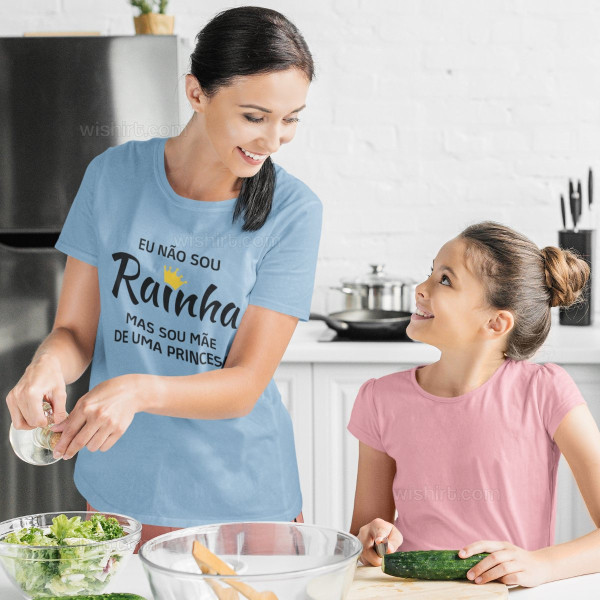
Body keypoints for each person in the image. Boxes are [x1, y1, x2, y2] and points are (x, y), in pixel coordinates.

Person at [6, 6, 322, 548]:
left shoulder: (293, 211)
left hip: (243, 501)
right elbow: (77, 334)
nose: (274, 139)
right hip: (118, 494)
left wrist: (135, 390)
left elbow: (245, 384)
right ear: (196, 92)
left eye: (291, 118)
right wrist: (45, 366)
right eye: (255, 116)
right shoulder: (112, 176)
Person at [348, 221, 600, 587]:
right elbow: (364, 537)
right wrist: (372, 539)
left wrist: (542, 565)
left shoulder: (544, 391)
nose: (421, 289)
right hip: (408, 594)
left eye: (445, 280)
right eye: (430, 273)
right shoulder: (379, 399)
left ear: (496, 323)